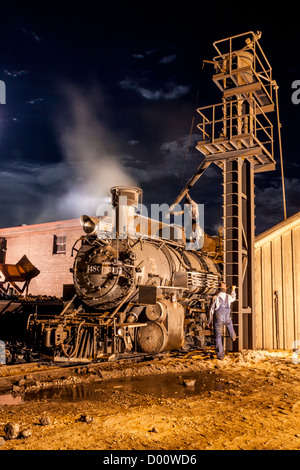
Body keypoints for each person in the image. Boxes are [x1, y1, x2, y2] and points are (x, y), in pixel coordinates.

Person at [208, 282, 237, 360]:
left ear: (218, 289)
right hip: (227, 317)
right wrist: (233, 290)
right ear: (225, 289)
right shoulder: (228, 297)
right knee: (229, 323)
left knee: (218, 336)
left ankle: (220, 356)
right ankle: (232, 335)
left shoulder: (215, 297)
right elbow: (234, 298)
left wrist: (209, 321)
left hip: (218, 319)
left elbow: (211, 310)